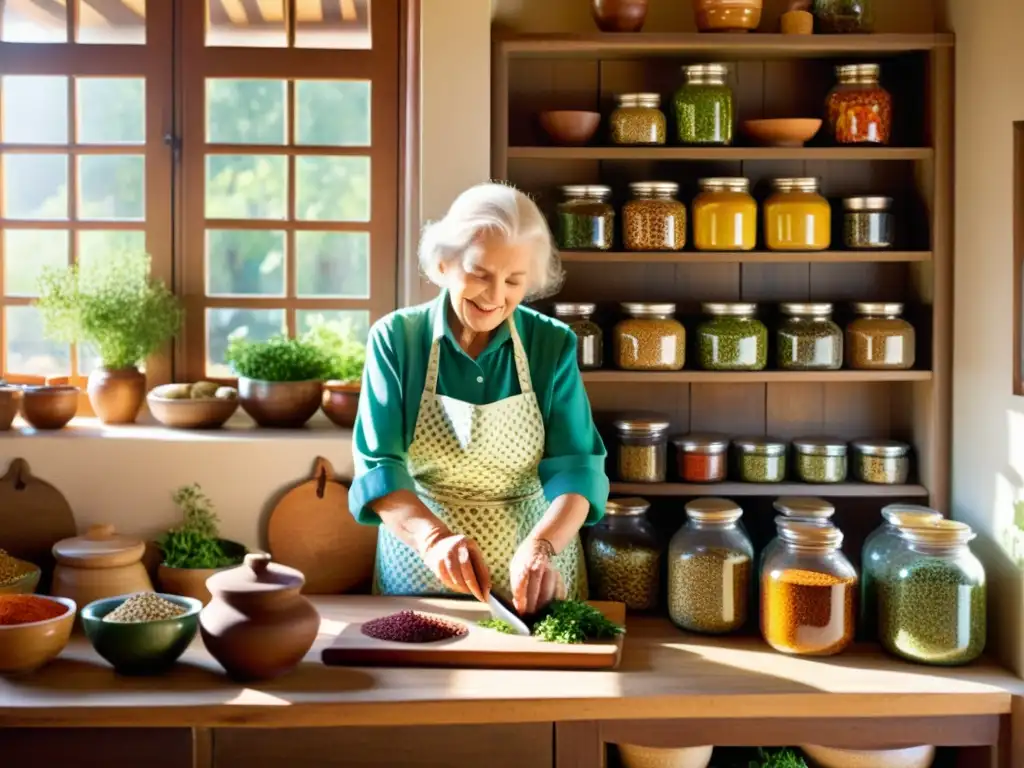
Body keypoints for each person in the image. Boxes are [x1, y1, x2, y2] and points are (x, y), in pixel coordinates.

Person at [349, 182, 609, 615]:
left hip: (532, 572)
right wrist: (433, 541)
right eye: (480, 274)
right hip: (418, 568)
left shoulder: (552, 345)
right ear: (443, 264)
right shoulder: (396, 340)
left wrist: (543, 547)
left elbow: (578, 468)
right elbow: (379, 468)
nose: (495, 296)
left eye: (514, 281)